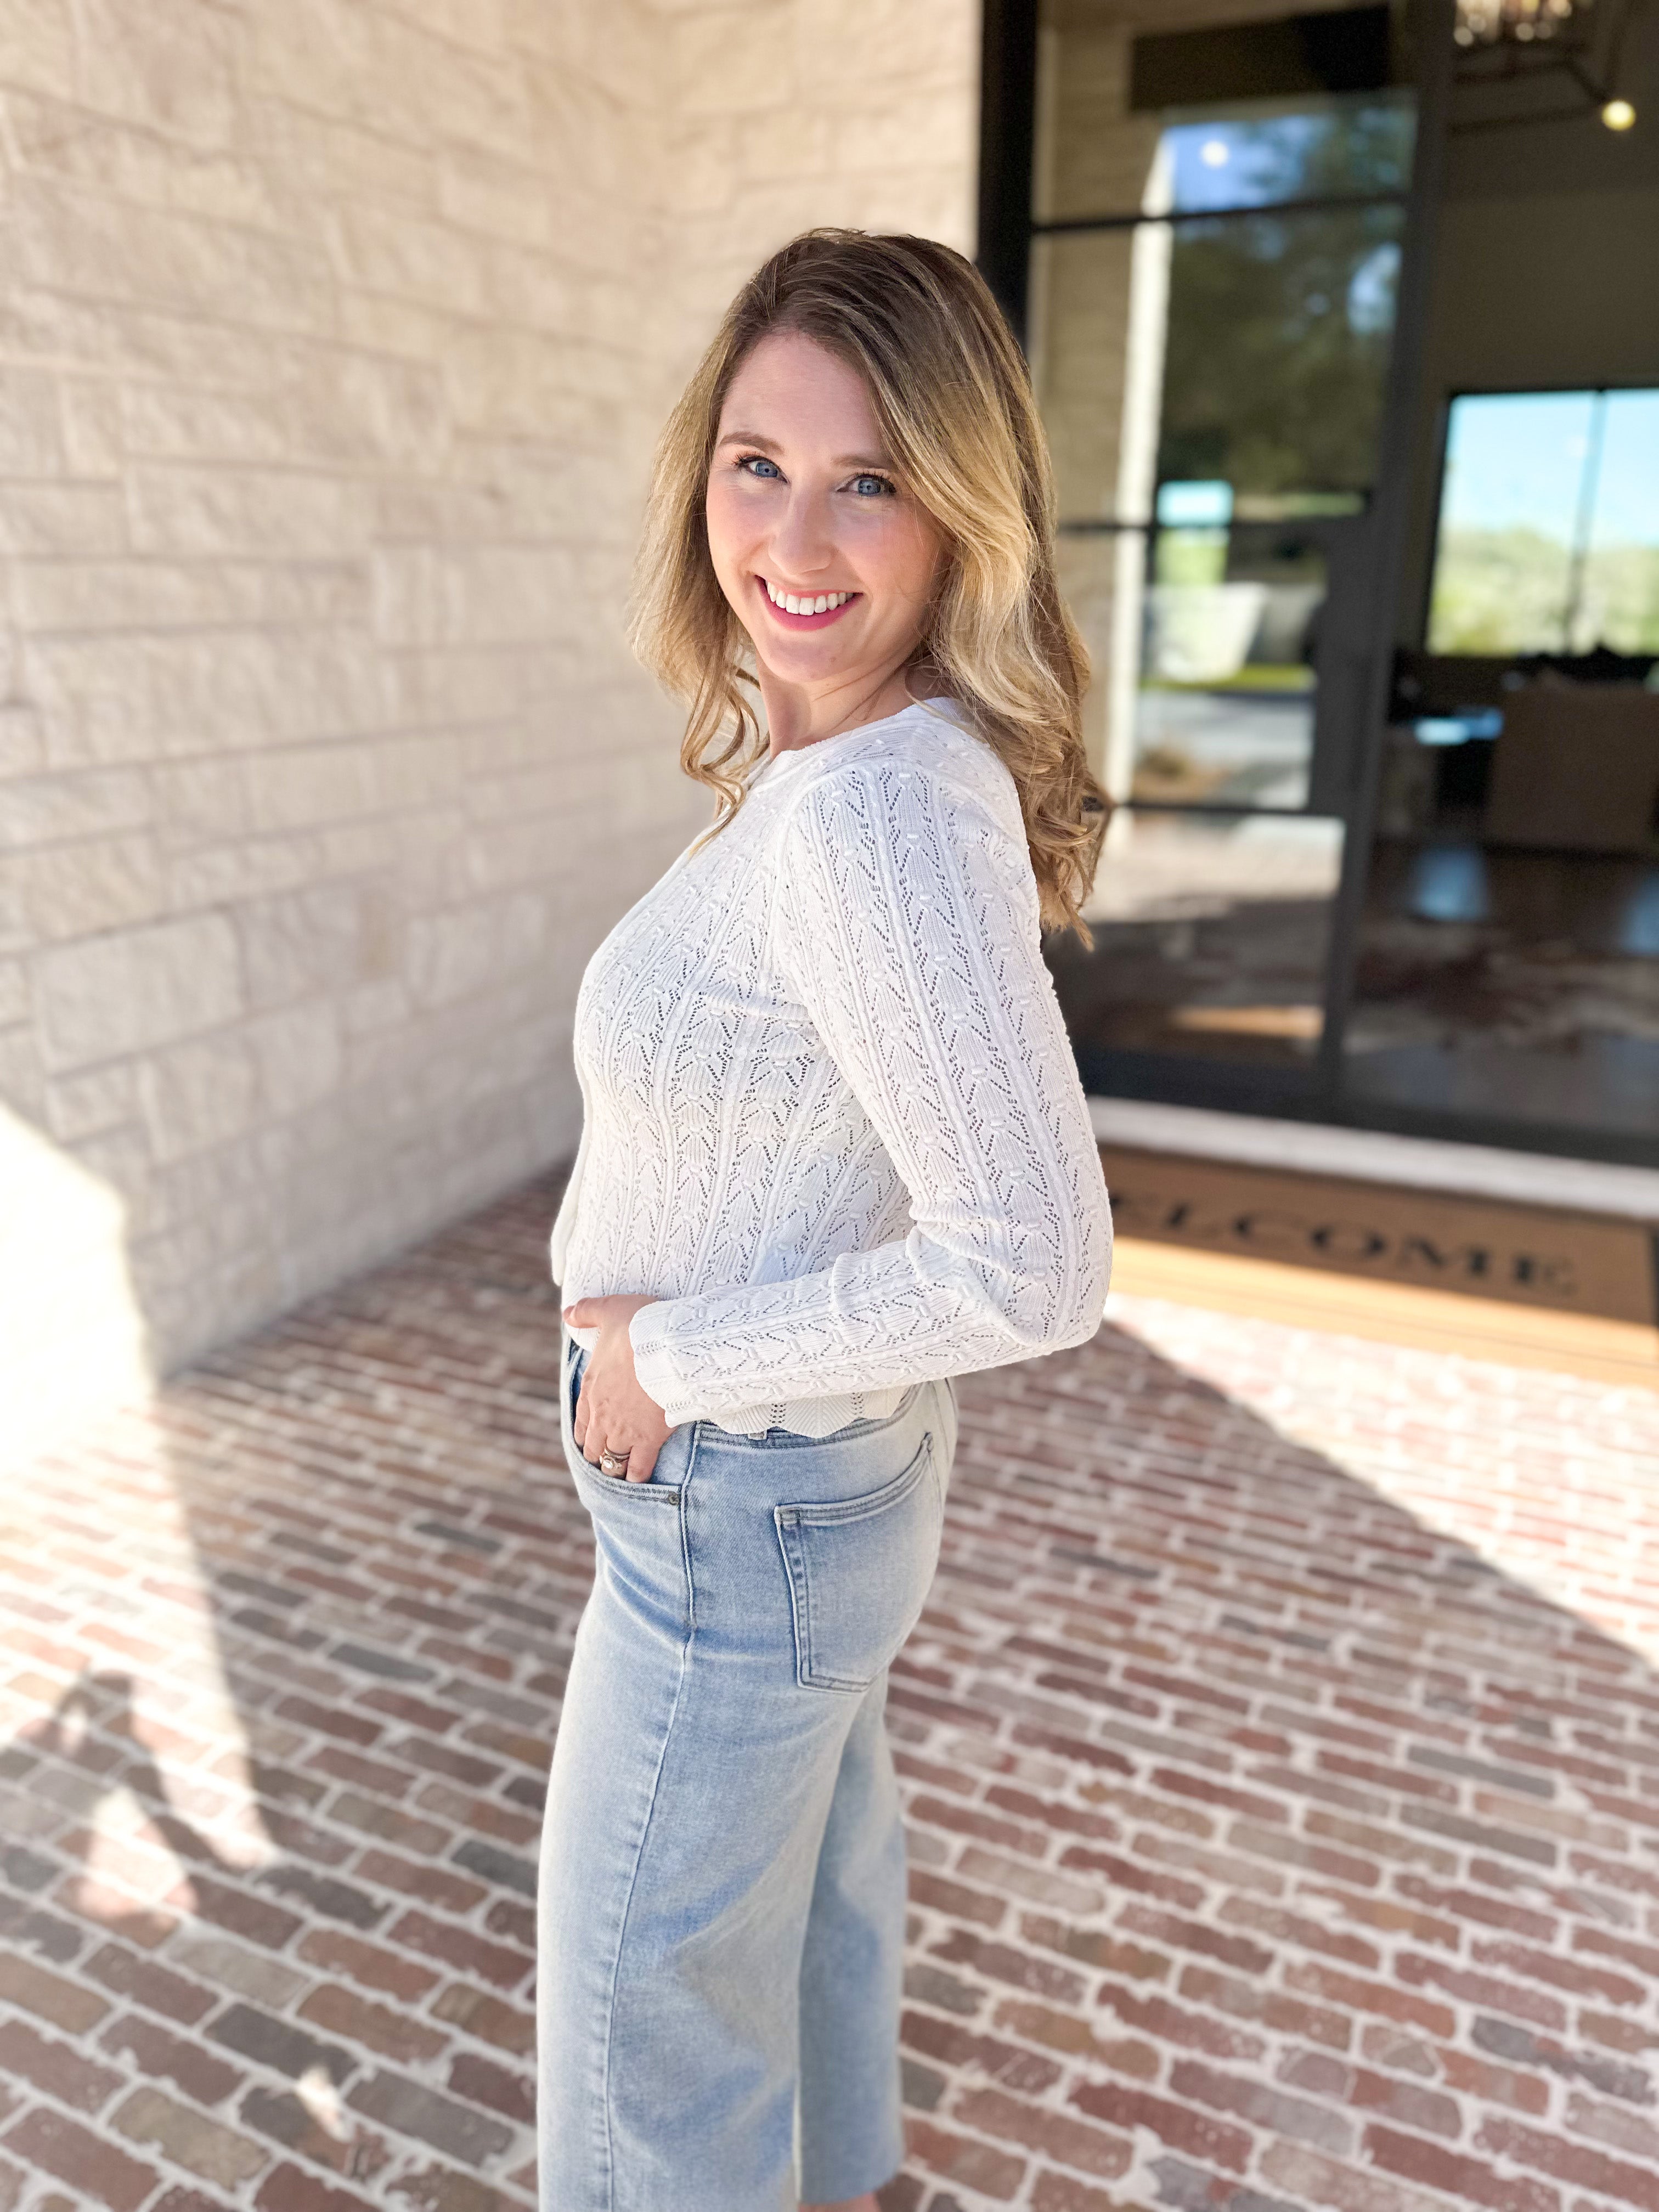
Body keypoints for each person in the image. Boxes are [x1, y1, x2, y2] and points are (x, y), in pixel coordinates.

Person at [538, 228, 1114, 2212]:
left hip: (734, 1505)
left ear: (961, 511)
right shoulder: (841, 762)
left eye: (869, 479)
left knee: (645, 2048)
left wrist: (664, 1357)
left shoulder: (873, 807)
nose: (793, 538)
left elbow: (1034, 1264)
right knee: (807, 1918)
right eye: (758, 464)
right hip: (805, 1497)